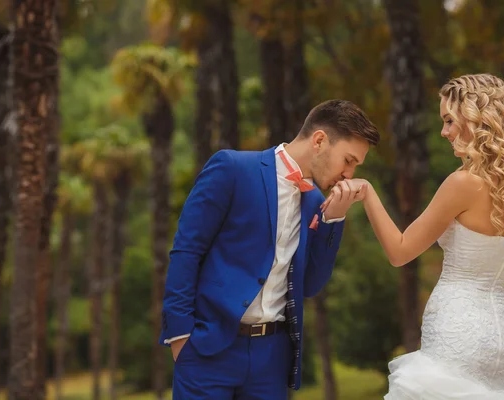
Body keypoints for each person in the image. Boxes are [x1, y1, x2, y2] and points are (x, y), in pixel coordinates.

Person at [321, 73, 504, 399]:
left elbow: (400, 251)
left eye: (449, 120)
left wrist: (367, 193)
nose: (444, 131)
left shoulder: (463, 183)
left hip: (457, 336)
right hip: (501, 343)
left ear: (475, 118)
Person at [159, 99, 381, 399]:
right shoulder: (232, 168)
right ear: (319, 141)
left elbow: (311, 284)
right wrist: (180, 336)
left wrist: (334, 219)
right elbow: (187, 251)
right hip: (207, 349)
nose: (349, 175)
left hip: (270, 360)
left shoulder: (316, 202)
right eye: (348, 160)